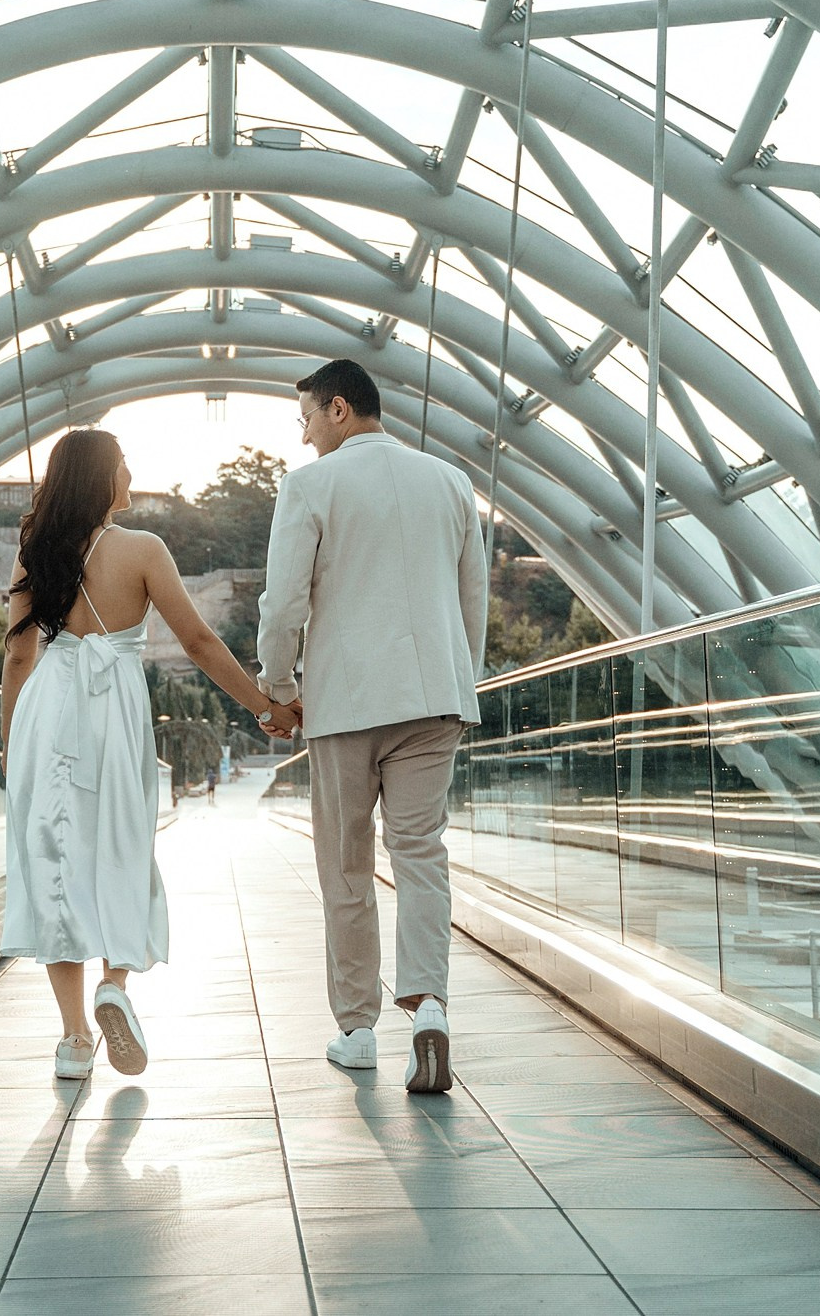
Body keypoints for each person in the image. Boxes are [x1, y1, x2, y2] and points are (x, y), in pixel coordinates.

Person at [0, 429, 295, 1081]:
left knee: (54, 864)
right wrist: (264, 707)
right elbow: (198, 642)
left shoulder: (34, 552)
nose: (131, 474)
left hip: (49, 710)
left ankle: (74, 1040)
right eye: (124, 464)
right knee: (124, 848)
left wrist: (10, 747)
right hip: (114, 710)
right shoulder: (142, 549)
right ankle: (114, 986)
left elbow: (19, 656)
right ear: (101, 477)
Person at [256, 358, 486, 1093]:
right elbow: (471, 600)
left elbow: (284, 603)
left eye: (306, 419)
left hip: (346, 704)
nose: (303, 436)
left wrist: (279, 690)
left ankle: (357, 1030)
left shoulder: (310, 486)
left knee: (346, 864)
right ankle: (429, 1008)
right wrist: (460, 681)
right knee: (420, 854)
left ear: (339, 409)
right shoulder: (451, 482)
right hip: (434, 700)